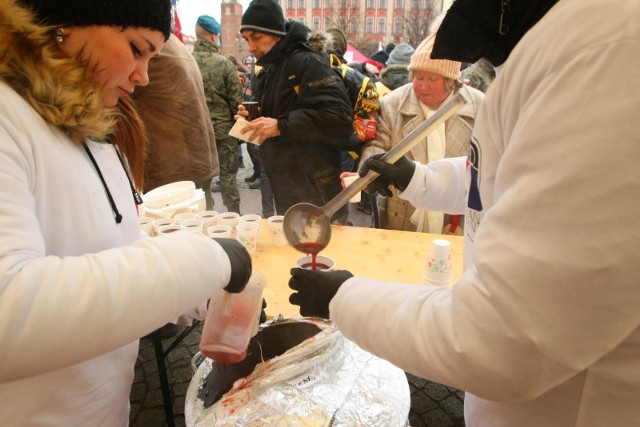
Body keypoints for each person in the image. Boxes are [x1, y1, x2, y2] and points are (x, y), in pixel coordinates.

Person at [288, 0, 640, 425]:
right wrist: (414, 177)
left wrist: (344, 297)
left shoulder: (606, 56)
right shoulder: (555, 43)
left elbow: (503, 342)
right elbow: (496, 174)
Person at [0, 0, 252, 424]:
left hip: (105, 409)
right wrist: (204, 260)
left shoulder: (97, 132)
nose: (143, 77)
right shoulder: (9, 120)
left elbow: (113, 255)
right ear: (62, 23)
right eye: (137, 48)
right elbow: (10, 312)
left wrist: (200, 298)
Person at [236, 0, 353, 219]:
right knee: (293, 242)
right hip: (287, 182)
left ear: (276, 34)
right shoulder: (268, 68)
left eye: (256, 37)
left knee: (321, 246)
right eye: (246, 39)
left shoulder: (306, 61)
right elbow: (279, 113)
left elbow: (338, 116)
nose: (251, 47)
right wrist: (255, 118)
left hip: (316, 183)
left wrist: (281, 126)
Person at [359, 32, 484, 234]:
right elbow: (376, 145)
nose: (423, 85)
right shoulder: (393, 104)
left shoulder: (478, 107)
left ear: (451, 81)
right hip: (401, 214)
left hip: (455, 220)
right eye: (418, 77)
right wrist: (369, 171)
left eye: (432, 79)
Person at [133, 33, 219, 211]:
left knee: (179, 232)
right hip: (197, 161)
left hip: (170, 170)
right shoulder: (173, 43)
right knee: (202, 228)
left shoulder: (146, 46)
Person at [193, 15, 243, 214]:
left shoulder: (186, 62)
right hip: (223, 133)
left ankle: (206, 218)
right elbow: (237, 104)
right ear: (214, 37)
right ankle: (234, 218)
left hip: (196, 133)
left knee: (200, 181)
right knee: (228, 177)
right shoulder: (224, 65)